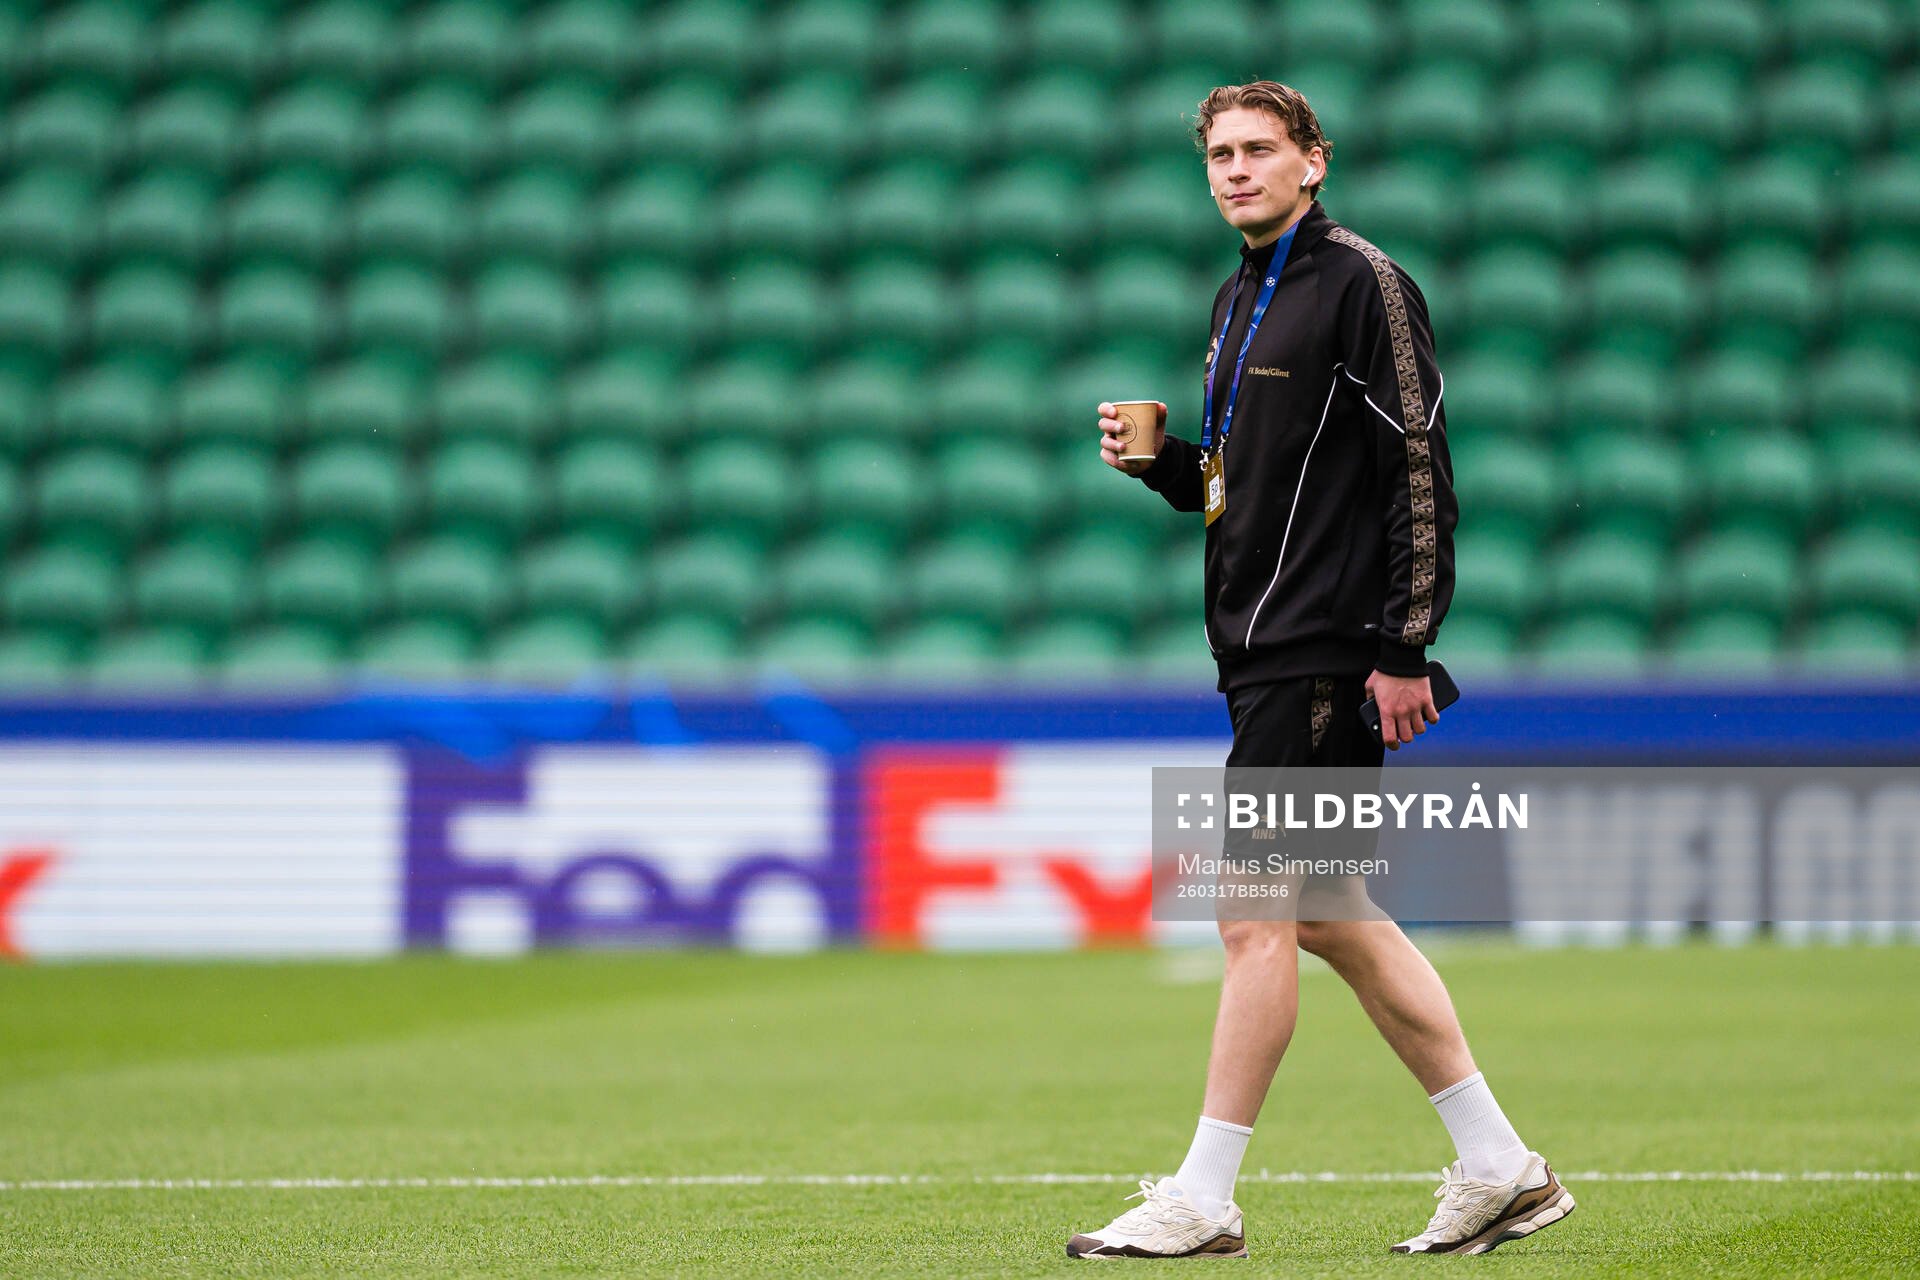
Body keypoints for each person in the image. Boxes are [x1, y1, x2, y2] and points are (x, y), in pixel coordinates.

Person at [1065, 82, 1573, 1260]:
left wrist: (1404, 647)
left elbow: (1419, 469)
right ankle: (1502, 1164)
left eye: (1260, 149)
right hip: (1264, 653)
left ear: (1314, 160)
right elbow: (1249, 489)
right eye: (1219, 154)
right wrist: (1167, 466)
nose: (1237, 169)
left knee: (1253, 916)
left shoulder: (1364, 283)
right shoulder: (1238, 293)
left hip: (1325, 654)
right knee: (1332, 915)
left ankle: (1204, 1193)